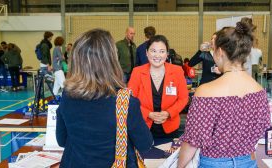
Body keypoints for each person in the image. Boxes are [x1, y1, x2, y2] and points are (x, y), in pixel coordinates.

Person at [178, 21, 271, 168]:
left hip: (213, 163)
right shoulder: (259, 90)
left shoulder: (206, 92)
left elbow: (192, 141)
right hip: (248, 161)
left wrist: (179, 166)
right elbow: (262, 128)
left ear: (220, 52)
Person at [56, 28, 153, 167]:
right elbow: (145, 144)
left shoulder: (67, 95)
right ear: (111, 60)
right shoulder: (125, 102)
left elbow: (62, 140)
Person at [128, 35, 188, 138]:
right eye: (153, 51)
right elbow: (130, 100)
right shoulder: (137, 72)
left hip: (170, 127)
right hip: (143, 126)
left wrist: (168, 113)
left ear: (167, 54)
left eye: (162, 51)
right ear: (147, 53)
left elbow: (183, 98)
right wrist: (148, 114)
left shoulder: (177, 71)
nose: (157, 55)